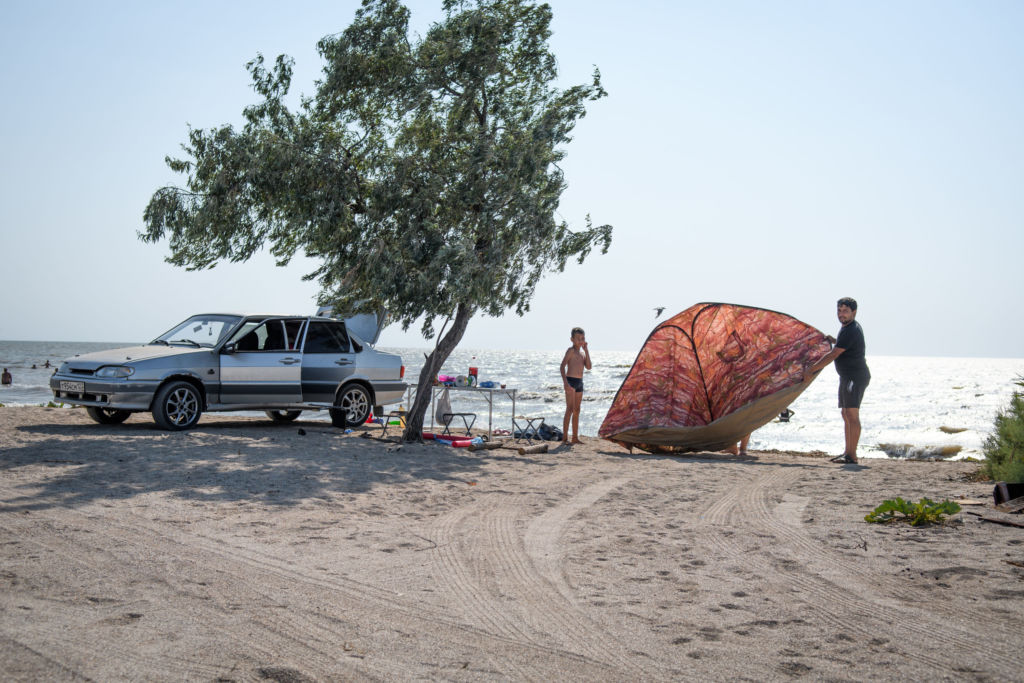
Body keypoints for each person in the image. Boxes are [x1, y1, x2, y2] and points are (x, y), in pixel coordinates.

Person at [804, 297, 871, 464]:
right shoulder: (846, 328)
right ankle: (848, 452)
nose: (841, 314)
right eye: (839, 311)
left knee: (852, 414)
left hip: (855, 377)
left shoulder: (851, 330)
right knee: (845, 413)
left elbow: (834, 354)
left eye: (845, 311)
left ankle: (852, 455)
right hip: (846, 377)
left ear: (854, 312)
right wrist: (834, 340)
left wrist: (812, 369)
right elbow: (844, 346)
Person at [560, 327, 592, 445]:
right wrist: (565, 383)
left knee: (577, 410)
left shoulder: (583, 353)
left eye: (582, 338)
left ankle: (575, 437)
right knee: (569, 409)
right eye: (578, 338)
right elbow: (562, 366)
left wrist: (587, 350)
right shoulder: (571, 351)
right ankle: (564, 437)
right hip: (570, 381)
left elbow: (588, 367)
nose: (580, 341)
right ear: (572, 339)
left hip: (579, 382)